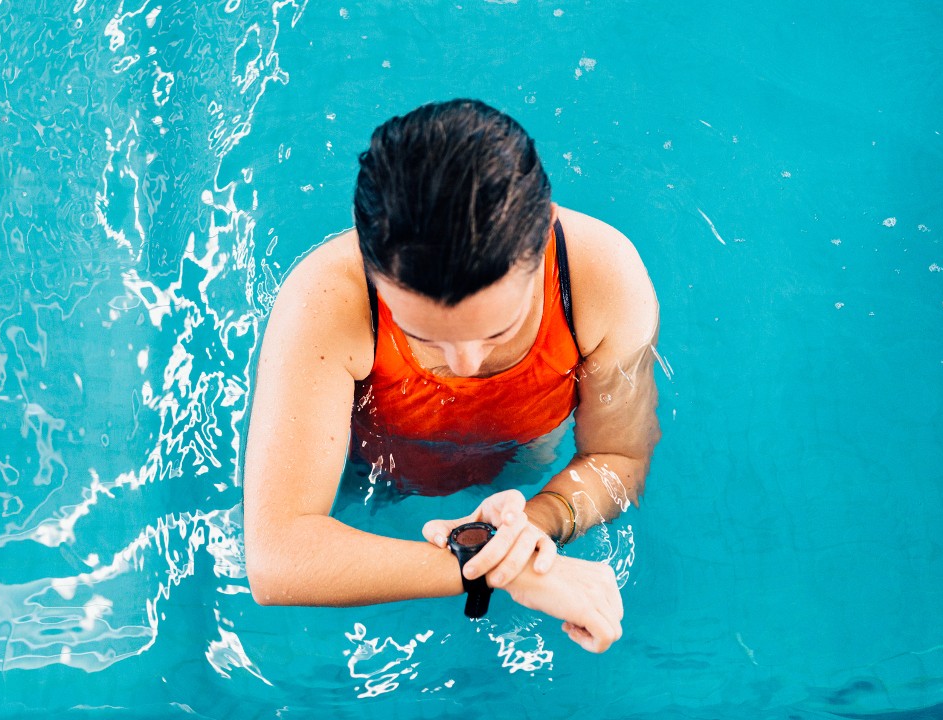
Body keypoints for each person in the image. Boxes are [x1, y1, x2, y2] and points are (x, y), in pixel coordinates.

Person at [243, 99, 660, 654]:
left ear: (543, 244)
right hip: (372, 466)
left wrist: (531, 527)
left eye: (498, 331)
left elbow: (618, 459)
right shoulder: (326, 299)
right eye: (423, 336)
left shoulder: (600, 280)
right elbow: (277, 556)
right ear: (371, 269)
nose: (465, 367)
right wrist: (495, 569)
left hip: (523, 464)